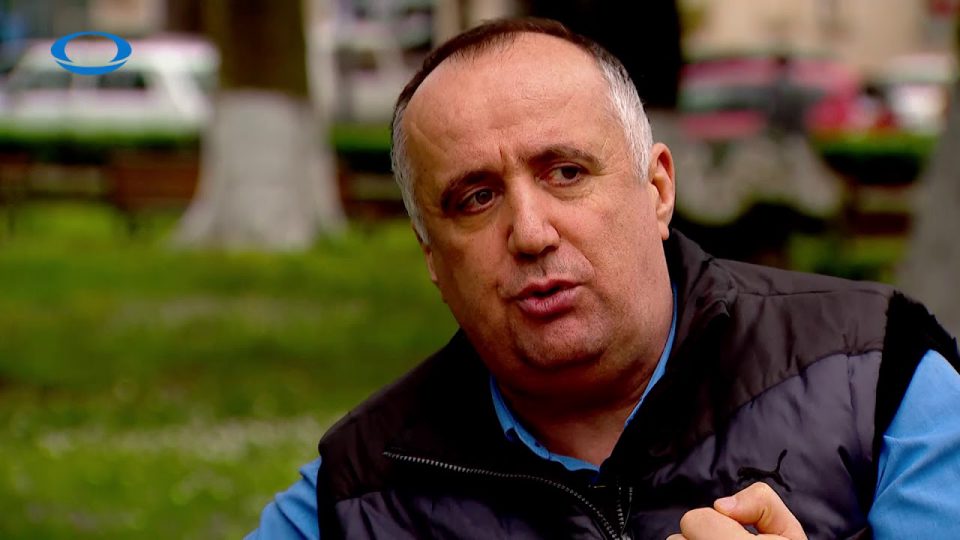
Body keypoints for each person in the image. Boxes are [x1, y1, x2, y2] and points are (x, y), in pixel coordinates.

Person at [247, 18, 960, 539]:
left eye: (566, 172)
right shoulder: (359, 493)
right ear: (433, 258)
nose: (531, 232)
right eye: (476, 198)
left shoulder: (880, 378)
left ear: (658, 189)